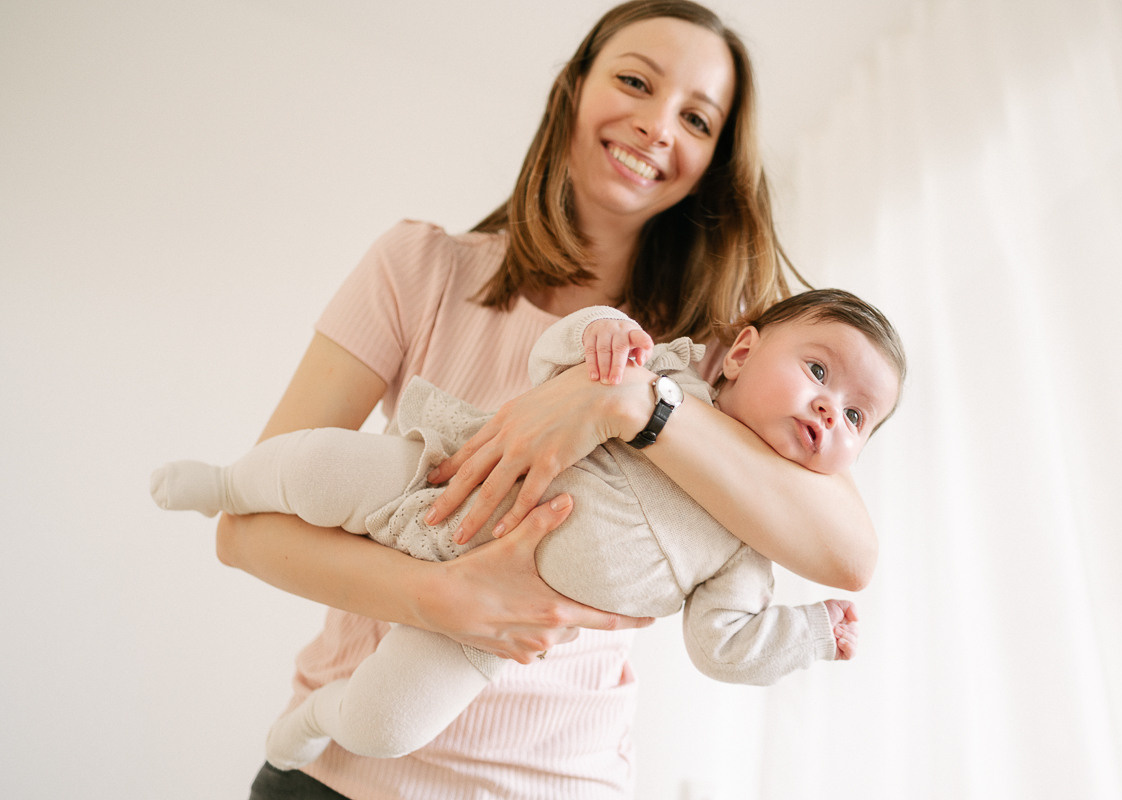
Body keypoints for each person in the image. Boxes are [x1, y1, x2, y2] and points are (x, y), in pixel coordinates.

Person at [209, 2, 882, 797]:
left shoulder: (719, 357)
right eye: (635, 81)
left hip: (557, 780)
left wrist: (633, 407)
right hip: (337, 772)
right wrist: (441, 599)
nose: (657, 126)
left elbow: (849, 553)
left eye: (697, 120)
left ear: (712, 162)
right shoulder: (419, 269)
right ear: (573, 89)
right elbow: (245, 531)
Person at [152, 289, 904, 770]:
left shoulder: (748, 547)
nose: (827, 410)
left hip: (491, 629)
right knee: (316, 468)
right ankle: (221, 481)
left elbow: (722, 644)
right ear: (741, 353)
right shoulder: (668, 375)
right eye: (818, 372)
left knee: (386, 725)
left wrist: (808, 633)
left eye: (855, 417)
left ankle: (321, 714)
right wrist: (606, 336)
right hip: (439, 484)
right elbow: (554, 357)